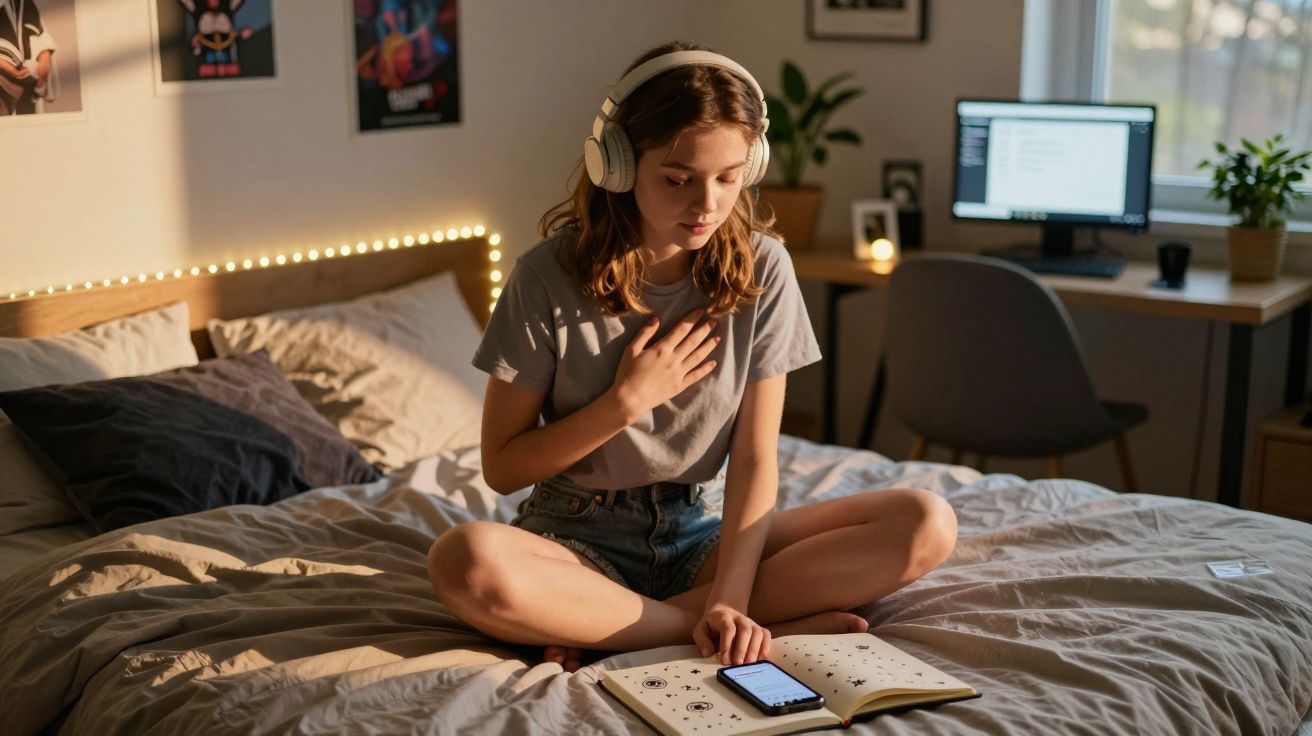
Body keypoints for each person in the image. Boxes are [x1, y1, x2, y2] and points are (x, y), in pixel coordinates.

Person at [426, 41, 957, 674]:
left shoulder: (766, 267)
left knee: (926, 521)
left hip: (702, 533)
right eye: (677, 180)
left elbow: (757, 456)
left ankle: (629, 625)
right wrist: (626, 402)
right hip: (573, 536)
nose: (706, 204)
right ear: (618, 165)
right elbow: (503, 468)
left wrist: (731, 595)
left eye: (729, 178)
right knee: (464, 561)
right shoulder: (544, 278)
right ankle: (709, 628)